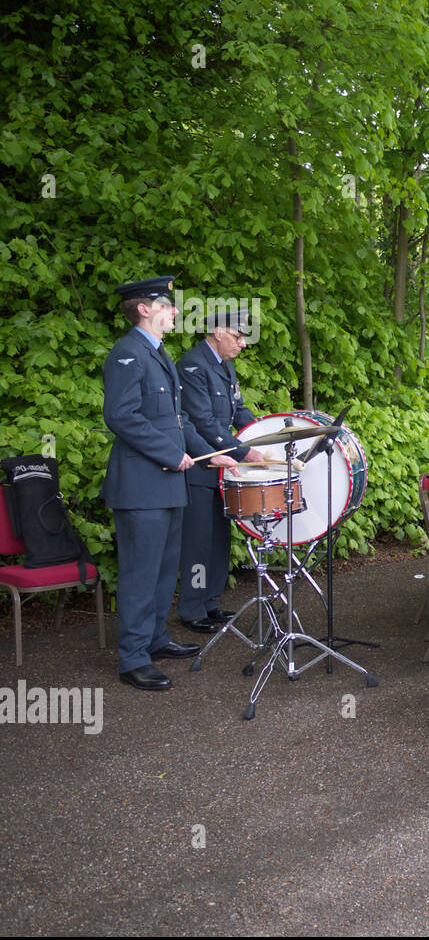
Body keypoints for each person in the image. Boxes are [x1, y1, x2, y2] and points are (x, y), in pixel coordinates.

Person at [102, 276, 237, 690]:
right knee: (141, 574)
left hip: (168, 485)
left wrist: (208, 453)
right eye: (168, 304)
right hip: (143, 487)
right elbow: (122, 417)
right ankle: (133, 658)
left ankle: (156, 639)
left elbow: (178, 422)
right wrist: (170, 454)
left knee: (163, 572)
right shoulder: (128, 354)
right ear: (144, 308)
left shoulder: (158, 354)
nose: (175, 311)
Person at [176, 308, 265, 632]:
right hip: (201, 466)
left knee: (218, 538)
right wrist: (244, 451)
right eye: (238, 337)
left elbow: (238, 409)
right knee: (198, 541)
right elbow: (204, 422)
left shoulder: (224, 365)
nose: (242, 344)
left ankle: (210, 601)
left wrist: (263, 433)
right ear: (218, 331)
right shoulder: (192, 365)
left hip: (223, 467)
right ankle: (192, 608)